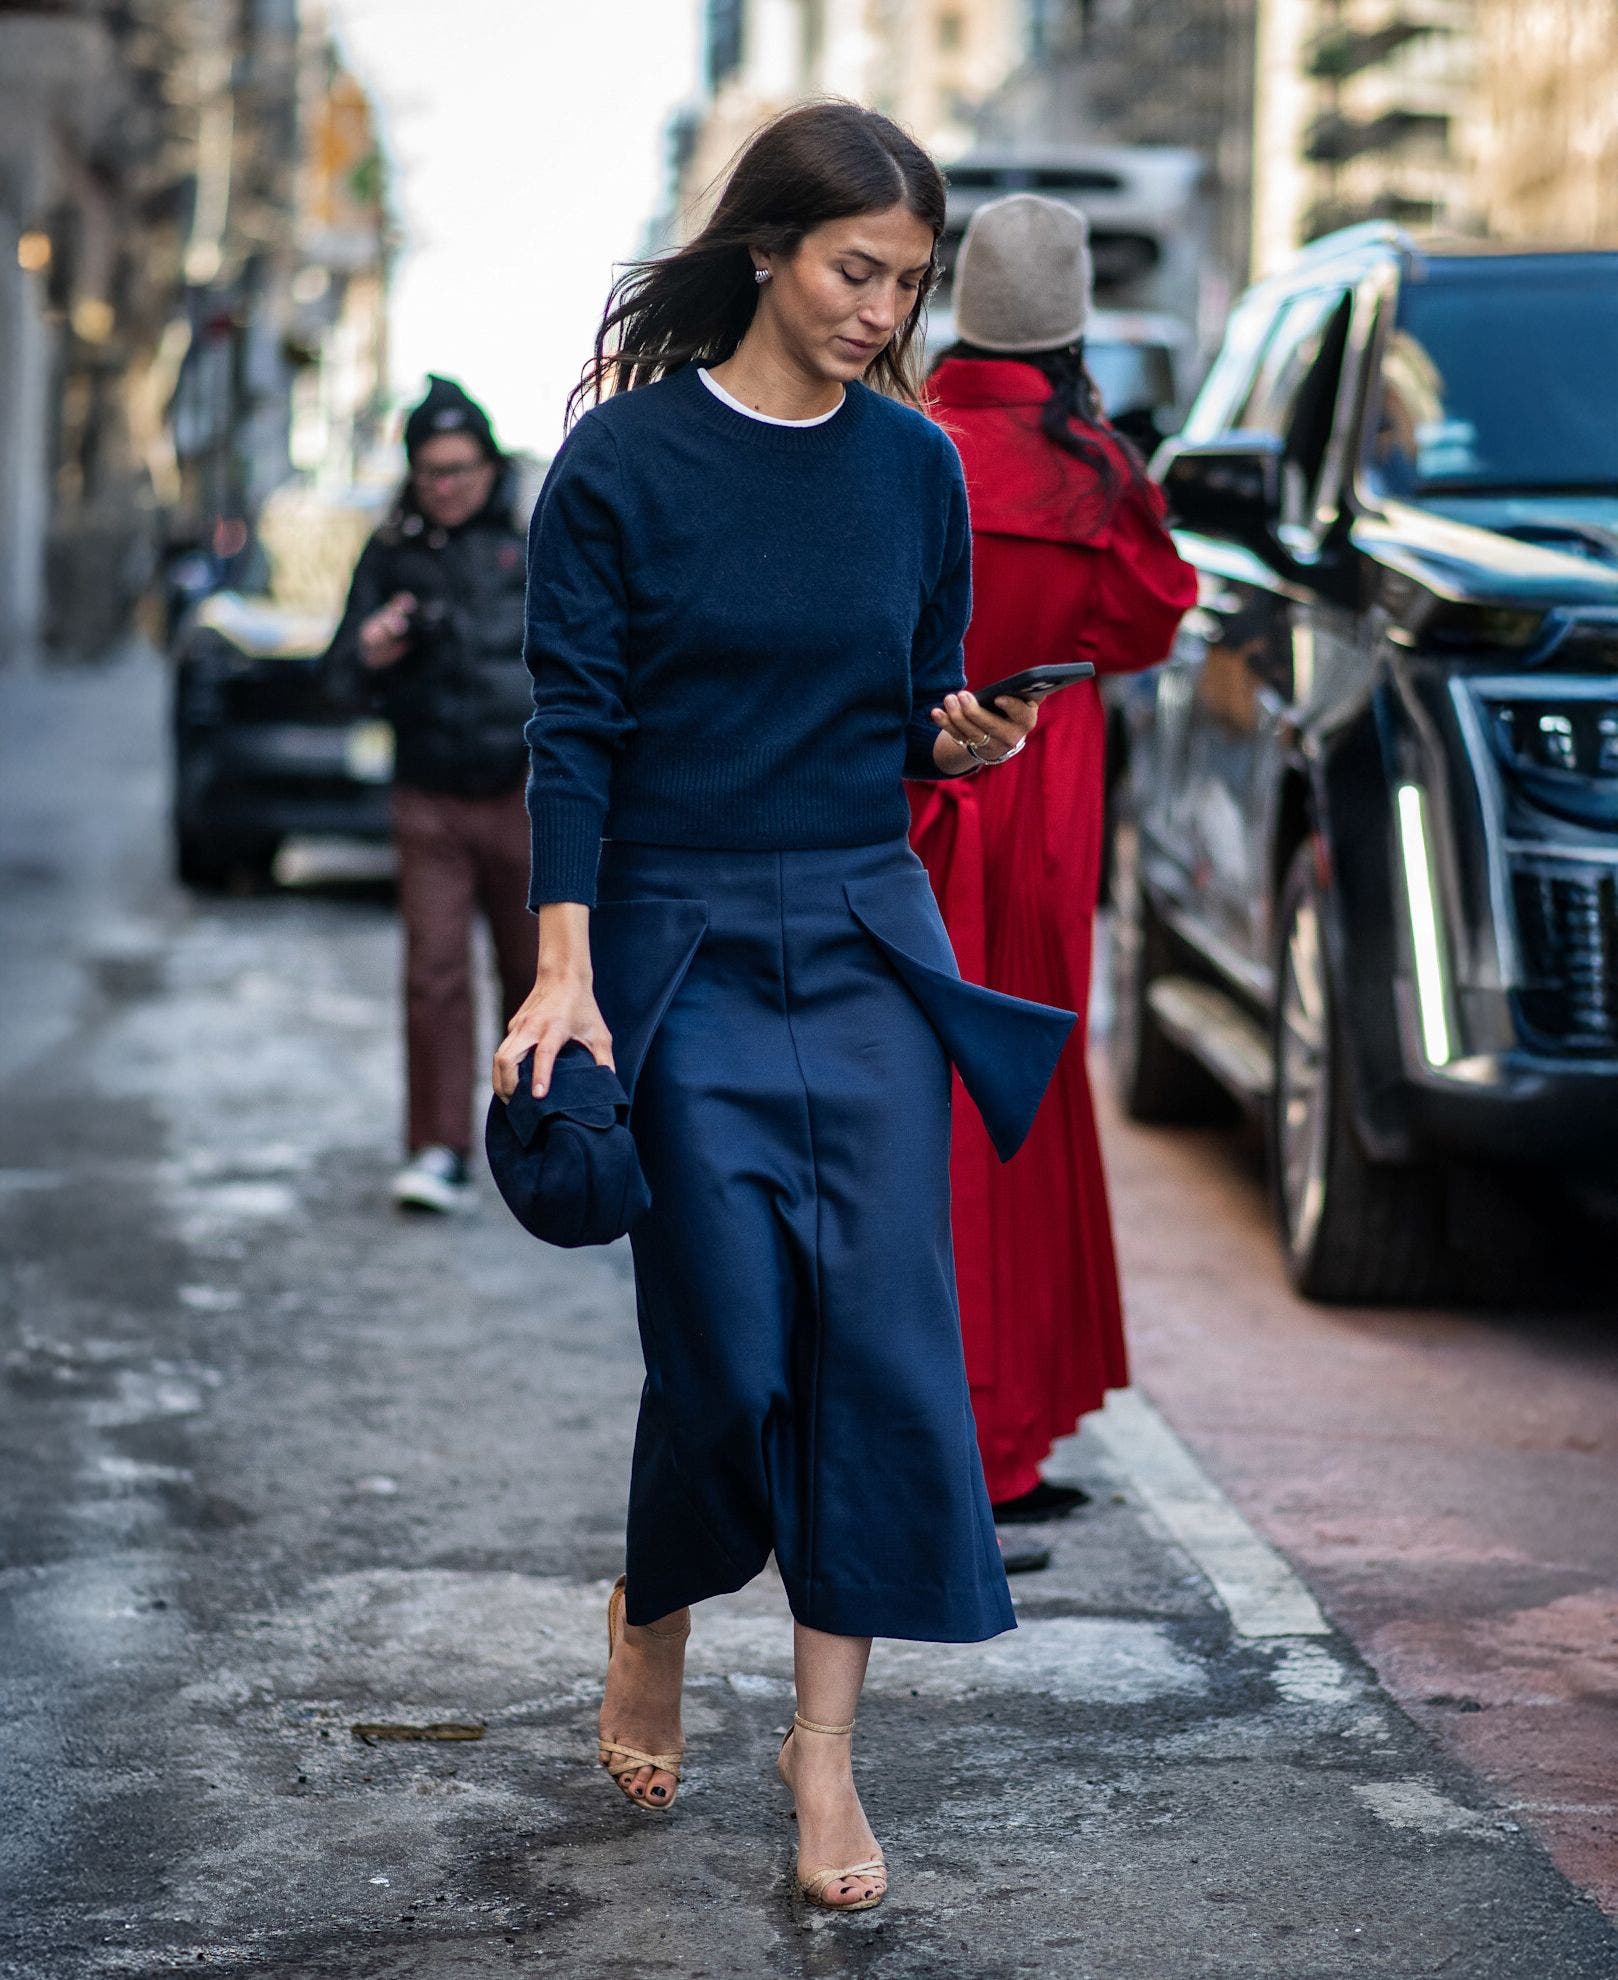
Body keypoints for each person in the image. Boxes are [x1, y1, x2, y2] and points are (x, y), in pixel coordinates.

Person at [493, 104, 1075, 1913]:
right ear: (766, 251)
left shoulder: (914, 469)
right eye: (853, 270)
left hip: (862, 934)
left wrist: (963, 737)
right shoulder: (620, 466)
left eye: (908, 282)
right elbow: (572, 727)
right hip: (675, 938)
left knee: (874, 1349)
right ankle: (654, 1609)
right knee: (728, 1353)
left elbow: (913, 706)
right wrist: (565, 963)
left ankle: (822, 1751)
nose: (880, 312)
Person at [909, 195, 1198, 1530]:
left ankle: (920, 1432)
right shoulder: (1093, 471)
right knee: (1020, 1103)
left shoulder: (903, 440)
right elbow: (1146, 623)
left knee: (909, 1119)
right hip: (1040, 816)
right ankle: (1002, 1442)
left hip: (909, 808)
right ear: (1072, 320)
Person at [326, 376, 535, 1214]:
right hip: (429, 796)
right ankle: (438, 1149)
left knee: (535, 973)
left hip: (525, 792)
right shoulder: (389, 555)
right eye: (431, 472)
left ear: (490, 466)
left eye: (460, 469)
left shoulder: (531, 542)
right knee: (435, 974)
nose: (446, 486)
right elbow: (337, 676)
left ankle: (537, 1140)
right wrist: (372, 649)